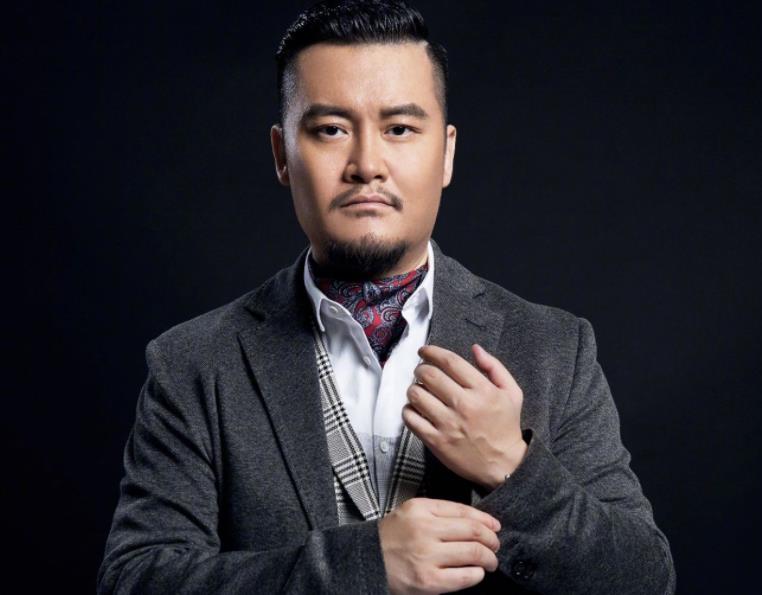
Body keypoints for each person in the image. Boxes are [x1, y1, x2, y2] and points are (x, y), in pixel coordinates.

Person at [97, 1, 676, 593]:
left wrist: (512, 467)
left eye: (399, 129)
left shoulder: (556, 348)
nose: (366, 165)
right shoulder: (193, 363)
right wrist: (362, 565)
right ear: (281, 155)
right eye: (330, 130)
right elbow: (134, 580)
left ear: (446, 153)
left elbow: (645, 580)